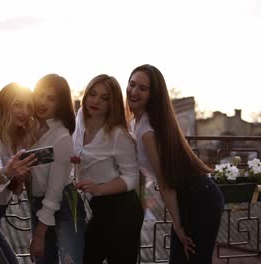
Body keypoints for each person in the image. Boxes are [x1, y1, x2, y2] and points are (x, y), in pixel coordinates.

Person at [126, 64, 224, 263]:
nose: (134, 91)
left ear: (153, 96)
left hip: (199, 198)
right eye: (132, 84)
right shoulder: (135, 122)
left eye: (143, 88)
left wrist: (178, 227)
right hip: (189, 197)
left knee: (192, 258)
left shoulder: (147, 130)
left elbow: (165, 183)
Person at [74, 74, 144, 264]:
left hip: (123, 210)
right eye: (93, 94)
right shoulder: (79, 118)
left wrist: (99, 188)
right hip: (97, 209)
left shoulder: (117, 134)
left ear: (112, 103)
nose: (95, 101)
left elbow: (131, 177)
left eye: (105, 98)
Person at [28, 74, 86, 264]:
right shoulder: (29, 129)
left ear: (60, 104)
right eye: (40, 94)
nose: (43, 102)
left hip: (63, 205)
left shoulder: (61, 137)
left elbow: (54, 192)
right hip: (38, 204)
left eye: (51, 99)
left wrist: (39, 235)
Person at [0, 82, 38, 262]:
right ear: (5, 106)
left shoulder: (20, 141)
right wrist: (7, 171)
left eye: (29, 106)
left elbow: (16, 190)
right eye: (18, 105)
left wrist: (18, 180)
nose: (25, 111)